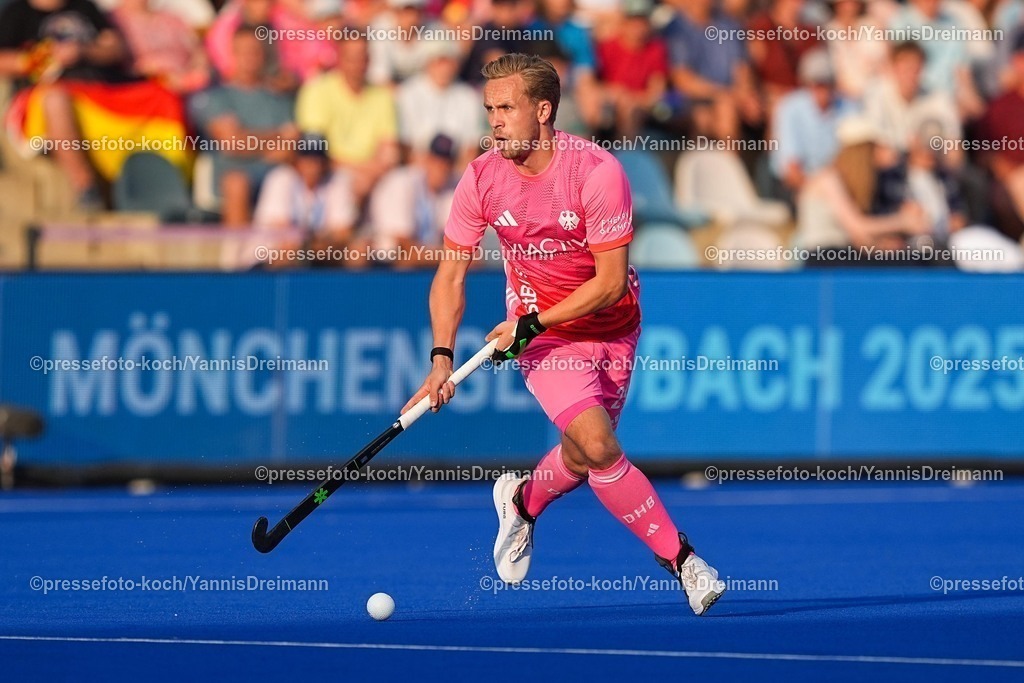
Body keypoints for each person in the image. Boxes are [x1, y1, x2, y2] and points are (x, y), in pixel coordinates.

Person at [401, 53, 727, 616]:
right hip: (545, 336)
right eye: (489, 109)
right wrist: (439, 358)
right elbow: (449, 275)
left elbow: (608, 284)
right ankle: (686, 563)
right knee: (601, 445)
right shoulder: (481, 177)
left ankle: (521, 502)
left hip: (609, 323)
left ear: (544, 110)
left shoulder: (597, 173)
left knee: (580, 456)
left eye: (506, 108)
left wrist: (530, 324)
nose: (494, 120)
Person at [189, 28, 298, 226]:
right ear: (234, 54)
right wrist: (275, 138)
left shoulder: (279, 98)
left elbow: (290, 145)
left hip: (276, 175)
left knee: (287, 180)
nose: (250, 57)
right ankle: (238, 254)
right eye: (244, 51)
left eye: (255, 51)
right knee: (237, 183)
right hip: (234, 176)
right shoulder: (218, 97)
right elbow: (233, 144)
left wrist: (248, 139)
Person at [296, 31, 399, 201]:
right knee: (341, 186)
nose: (357, 63)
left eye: (361, 57)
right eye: (351, 57)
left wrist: (369, 174)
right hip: (330, 173)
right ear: (339, 59)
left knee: (400, 183)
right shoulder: (316, 91)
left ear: (369, 59)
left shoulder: (383, 96)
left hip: (372, 175)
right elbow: (313, 153)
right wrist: (357, 172)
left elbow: (389, 152)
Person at [253, 131, 358, 266]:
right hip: (270, 256)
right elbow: (282, 233)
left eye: (317, 159)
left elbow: (343, 232)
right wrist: (313, 242)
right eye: (306, 159)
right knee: (288, 252)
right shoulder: (280, 179)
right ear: (296, 161)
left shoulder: (338, 180)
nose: (312, 166)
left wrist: (317, 244)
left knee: (356, 252)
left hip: (321, 252)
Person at [364, 133, 458, 268]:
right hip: (384, 265)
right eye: (435, 160)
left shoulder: (453, 185)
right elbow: (404, 247)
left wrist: (453, 256)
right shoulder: (400, 182)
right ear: (426, 159)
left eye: (446, 162)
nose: (441, 167)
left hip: (429, 263)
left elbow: (462, 245)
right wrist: (452, 257)